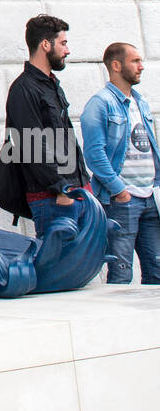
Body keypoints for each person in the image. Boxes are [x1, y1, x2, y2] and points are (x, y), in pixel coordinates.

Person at [0, 14, 91, 238]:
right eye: (63, 43)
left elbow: (66, 141)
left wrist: (85, 185)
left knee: (79, 270)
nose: (67, 50)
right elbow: (30, 144)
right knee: (58, 270)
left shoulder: (52, 85)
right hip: (54, 199)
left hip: (75, 193)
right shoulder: (23, 88)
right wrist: (61, 189)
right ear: (46, 44)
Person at [80, 43, 160, 285]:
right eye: (135, 61)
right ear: (116, 65)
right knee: (121, 272)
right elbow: (94, 154)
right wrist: (120, 190)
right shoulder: (100, 103)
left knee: (156, 269)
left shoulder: (140, 102)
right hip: (122, 201)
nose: (141, 66)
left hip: (150, 197)